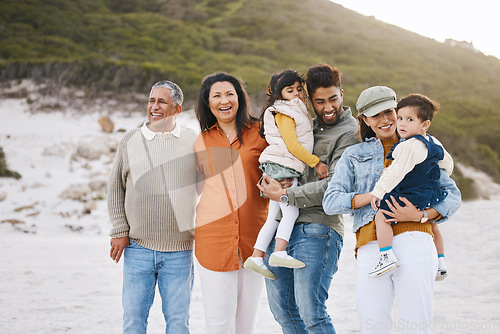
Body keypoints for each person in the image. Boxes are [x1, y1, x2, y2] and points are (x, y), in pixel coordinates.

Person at [322, 85, 462, 333]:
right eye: (376, 115)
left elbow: (452, 196)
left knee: (416, 325)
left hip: (415, 239)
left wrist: (420, 215)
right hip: (370, 246)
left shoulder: (422, 147)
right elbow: (331, 201)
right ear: (365, 119)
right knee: (373, 326)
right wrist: (374, 196)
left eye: (389, 112)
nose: (386, 120)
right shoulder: (354, 154)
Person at [258, 64, 359, 333]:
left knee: (311, 312)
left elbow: (335, 187)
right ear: (308, 99)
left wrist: (285, 194)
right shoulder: (303, 125)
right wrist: (267, 181)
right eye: (320, 101)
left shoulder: (350, 133)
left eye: (333, 99)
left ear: (342, 94)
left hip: (318, 228)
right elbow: (281, 158)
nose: (328, 107)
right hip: (280, 229)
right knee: (284, 313)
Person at [108, 81, 198, 333]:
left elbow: (208, 189)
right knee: (134, 321)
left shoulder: (192, 140)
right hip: (137, 248)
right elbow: (116, 187)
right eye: (151, 100)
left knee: (178, 322)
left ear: (177, 109)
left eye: (161, 101)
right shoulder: (130, 139)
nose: (154, 106)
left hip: (180, 250)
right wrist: (119, 230)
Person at [193, 72, 269, 334]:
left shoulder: (261, 131)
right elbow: (194, 186)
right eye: (217, 96)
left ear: (239, 98)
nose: (224, 101)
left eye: (229, 94)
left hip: (254, 239)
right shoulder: (202, 140)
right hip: (213, 239)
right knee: (218, 325)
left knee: (245, 325)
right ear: (208, 102)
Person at [243, 69, 329, 279]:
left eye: (300, 89)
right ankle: (280, 252)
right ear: (279, 94)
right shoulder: (285, 112)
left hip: (280, 165)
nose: (297, 94)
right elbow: (292, 145)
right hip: (283, 165)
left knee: (274, 215)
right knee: (291, 212)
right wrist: (315, 162)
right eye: (290, 90)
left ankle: (256, 256)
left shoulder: (294, 110)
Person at [369, 93, 453, 278]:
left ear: (424, 124)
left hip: (411, 193)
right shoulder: (433, 142)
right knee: (433, 225)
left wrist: (379, 191)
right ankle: (440, 262)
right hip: (430, 193)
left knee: (381, 216)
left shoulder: (409, 146)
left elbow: (396, 171)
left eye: (409, 119)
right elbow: (448, 163)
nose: (402, 124)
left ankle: (386, 255)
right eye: (400, 118)